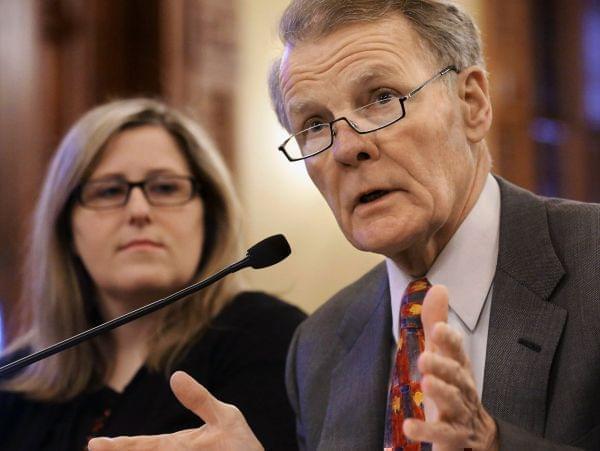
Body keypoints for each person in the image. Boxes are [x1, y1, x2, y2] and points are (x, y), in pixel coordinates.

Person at [88, 1, 600, 450]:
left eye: (381, 97)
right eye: (313, 125)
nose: (347, 146)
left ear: (472, 104)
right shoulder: (319, 345)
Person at [0, 98, 306, 450]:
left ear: (208, 216)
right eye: (109, 191)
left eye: (165, 188)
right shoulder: (14, 381)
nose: (138, 210)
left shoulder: (269, 339)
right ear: (67, 228)